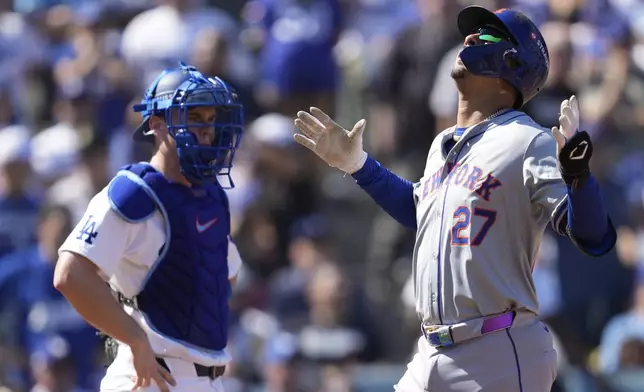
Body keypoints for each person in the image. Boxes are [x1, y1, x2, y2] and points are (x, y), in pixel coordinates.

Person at [293, 6, 617, 392]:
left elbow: (593, 236)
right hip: (431, 349)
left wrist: (580, 179)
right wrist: (358, 164)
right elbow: (422, 214)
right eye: (473, 32)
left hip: (497, 348)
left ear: (512, 63)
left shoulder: (529, 140)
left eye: (487, 35)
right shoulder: (441, 146)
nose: (469, 39)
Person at [53, 62, 245, 392]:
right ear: (157, 123)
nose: (206, 130)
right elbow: (70, 275)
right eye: (194, 117)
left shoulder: (212, 195)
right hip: (152, 376)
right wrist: (134, 337)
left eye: (211, 120)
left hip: (207, 379)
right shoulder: (135, 191)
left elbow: (224, 278)